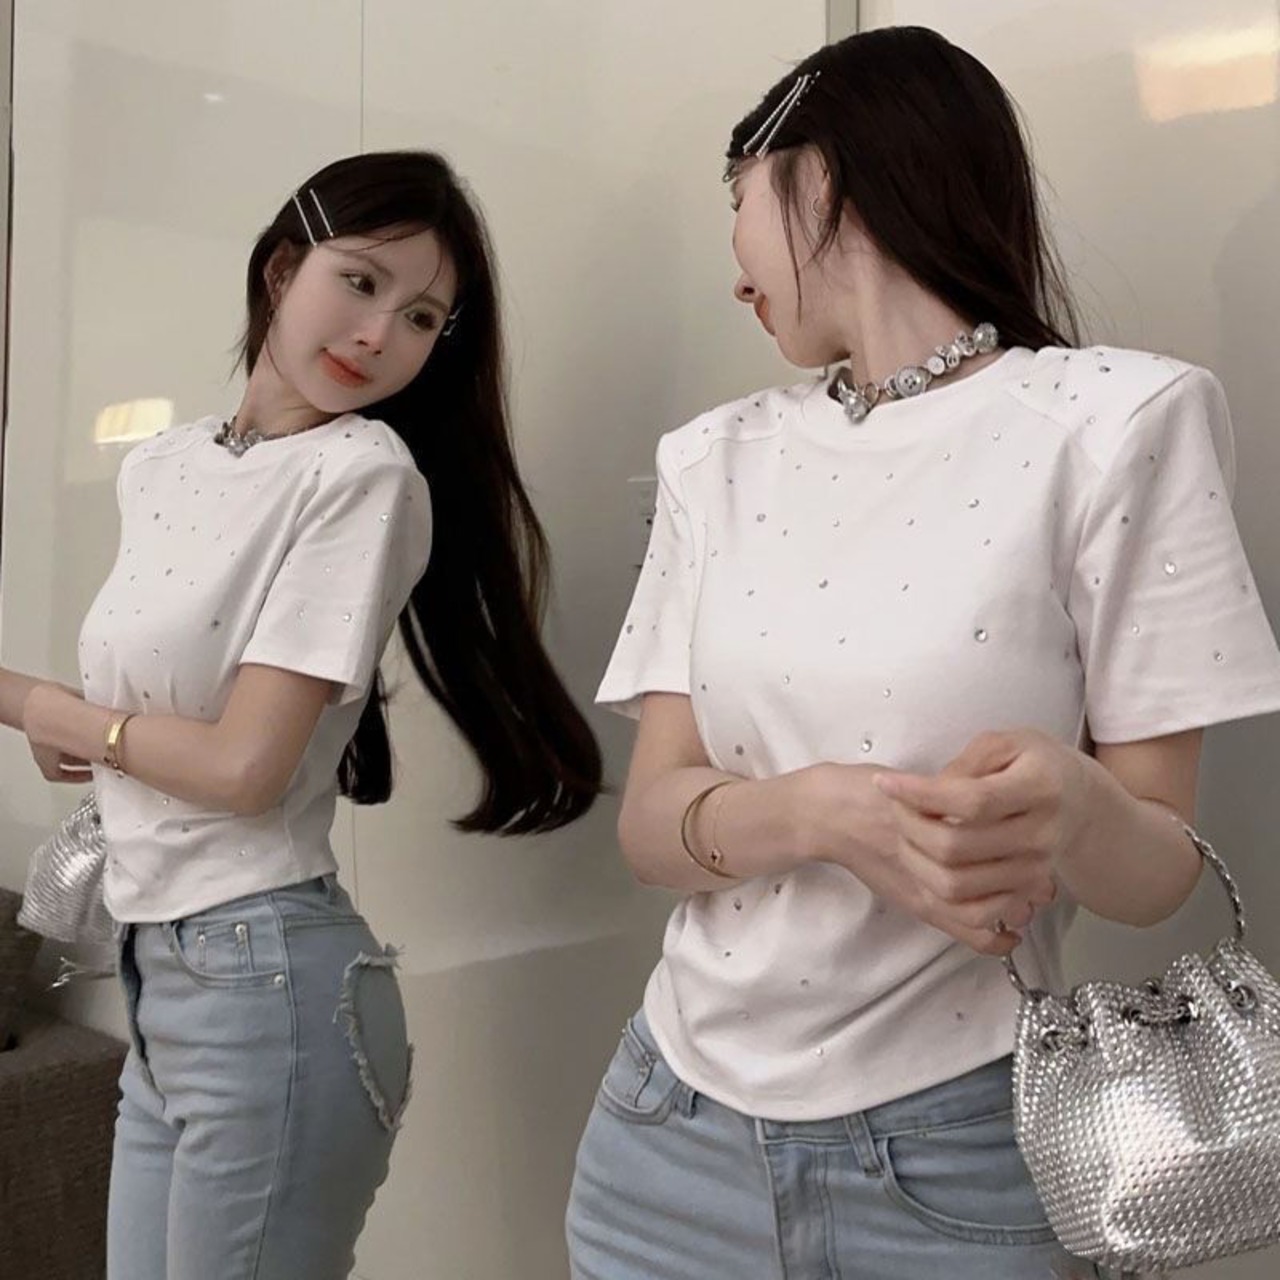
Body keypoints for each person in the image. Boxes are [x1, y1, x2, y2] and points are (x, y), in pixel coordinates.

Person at [566, 26, 1280, 1280]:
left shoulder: (1117, 421)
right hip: (663, 1144)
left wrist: (1071, 805)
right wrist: (820, 813)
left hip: (956, 1163)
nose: (732, 262)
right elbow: (649, 828)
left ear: (821, 174)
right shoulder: (712, 457)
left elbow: (1156, 870)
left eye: (736, 200)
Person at [1, 149, 602, 1279]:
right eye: (361, 281)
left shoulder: (362, 474)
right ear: (282, 268)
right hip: (158, 971)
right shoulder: (161, 465)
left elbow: (244, 770)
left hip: (263, 983)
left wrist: (41, 707)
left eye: (421, 317)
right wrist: (87, 732)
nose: (378, 334)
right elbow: (154, 715)